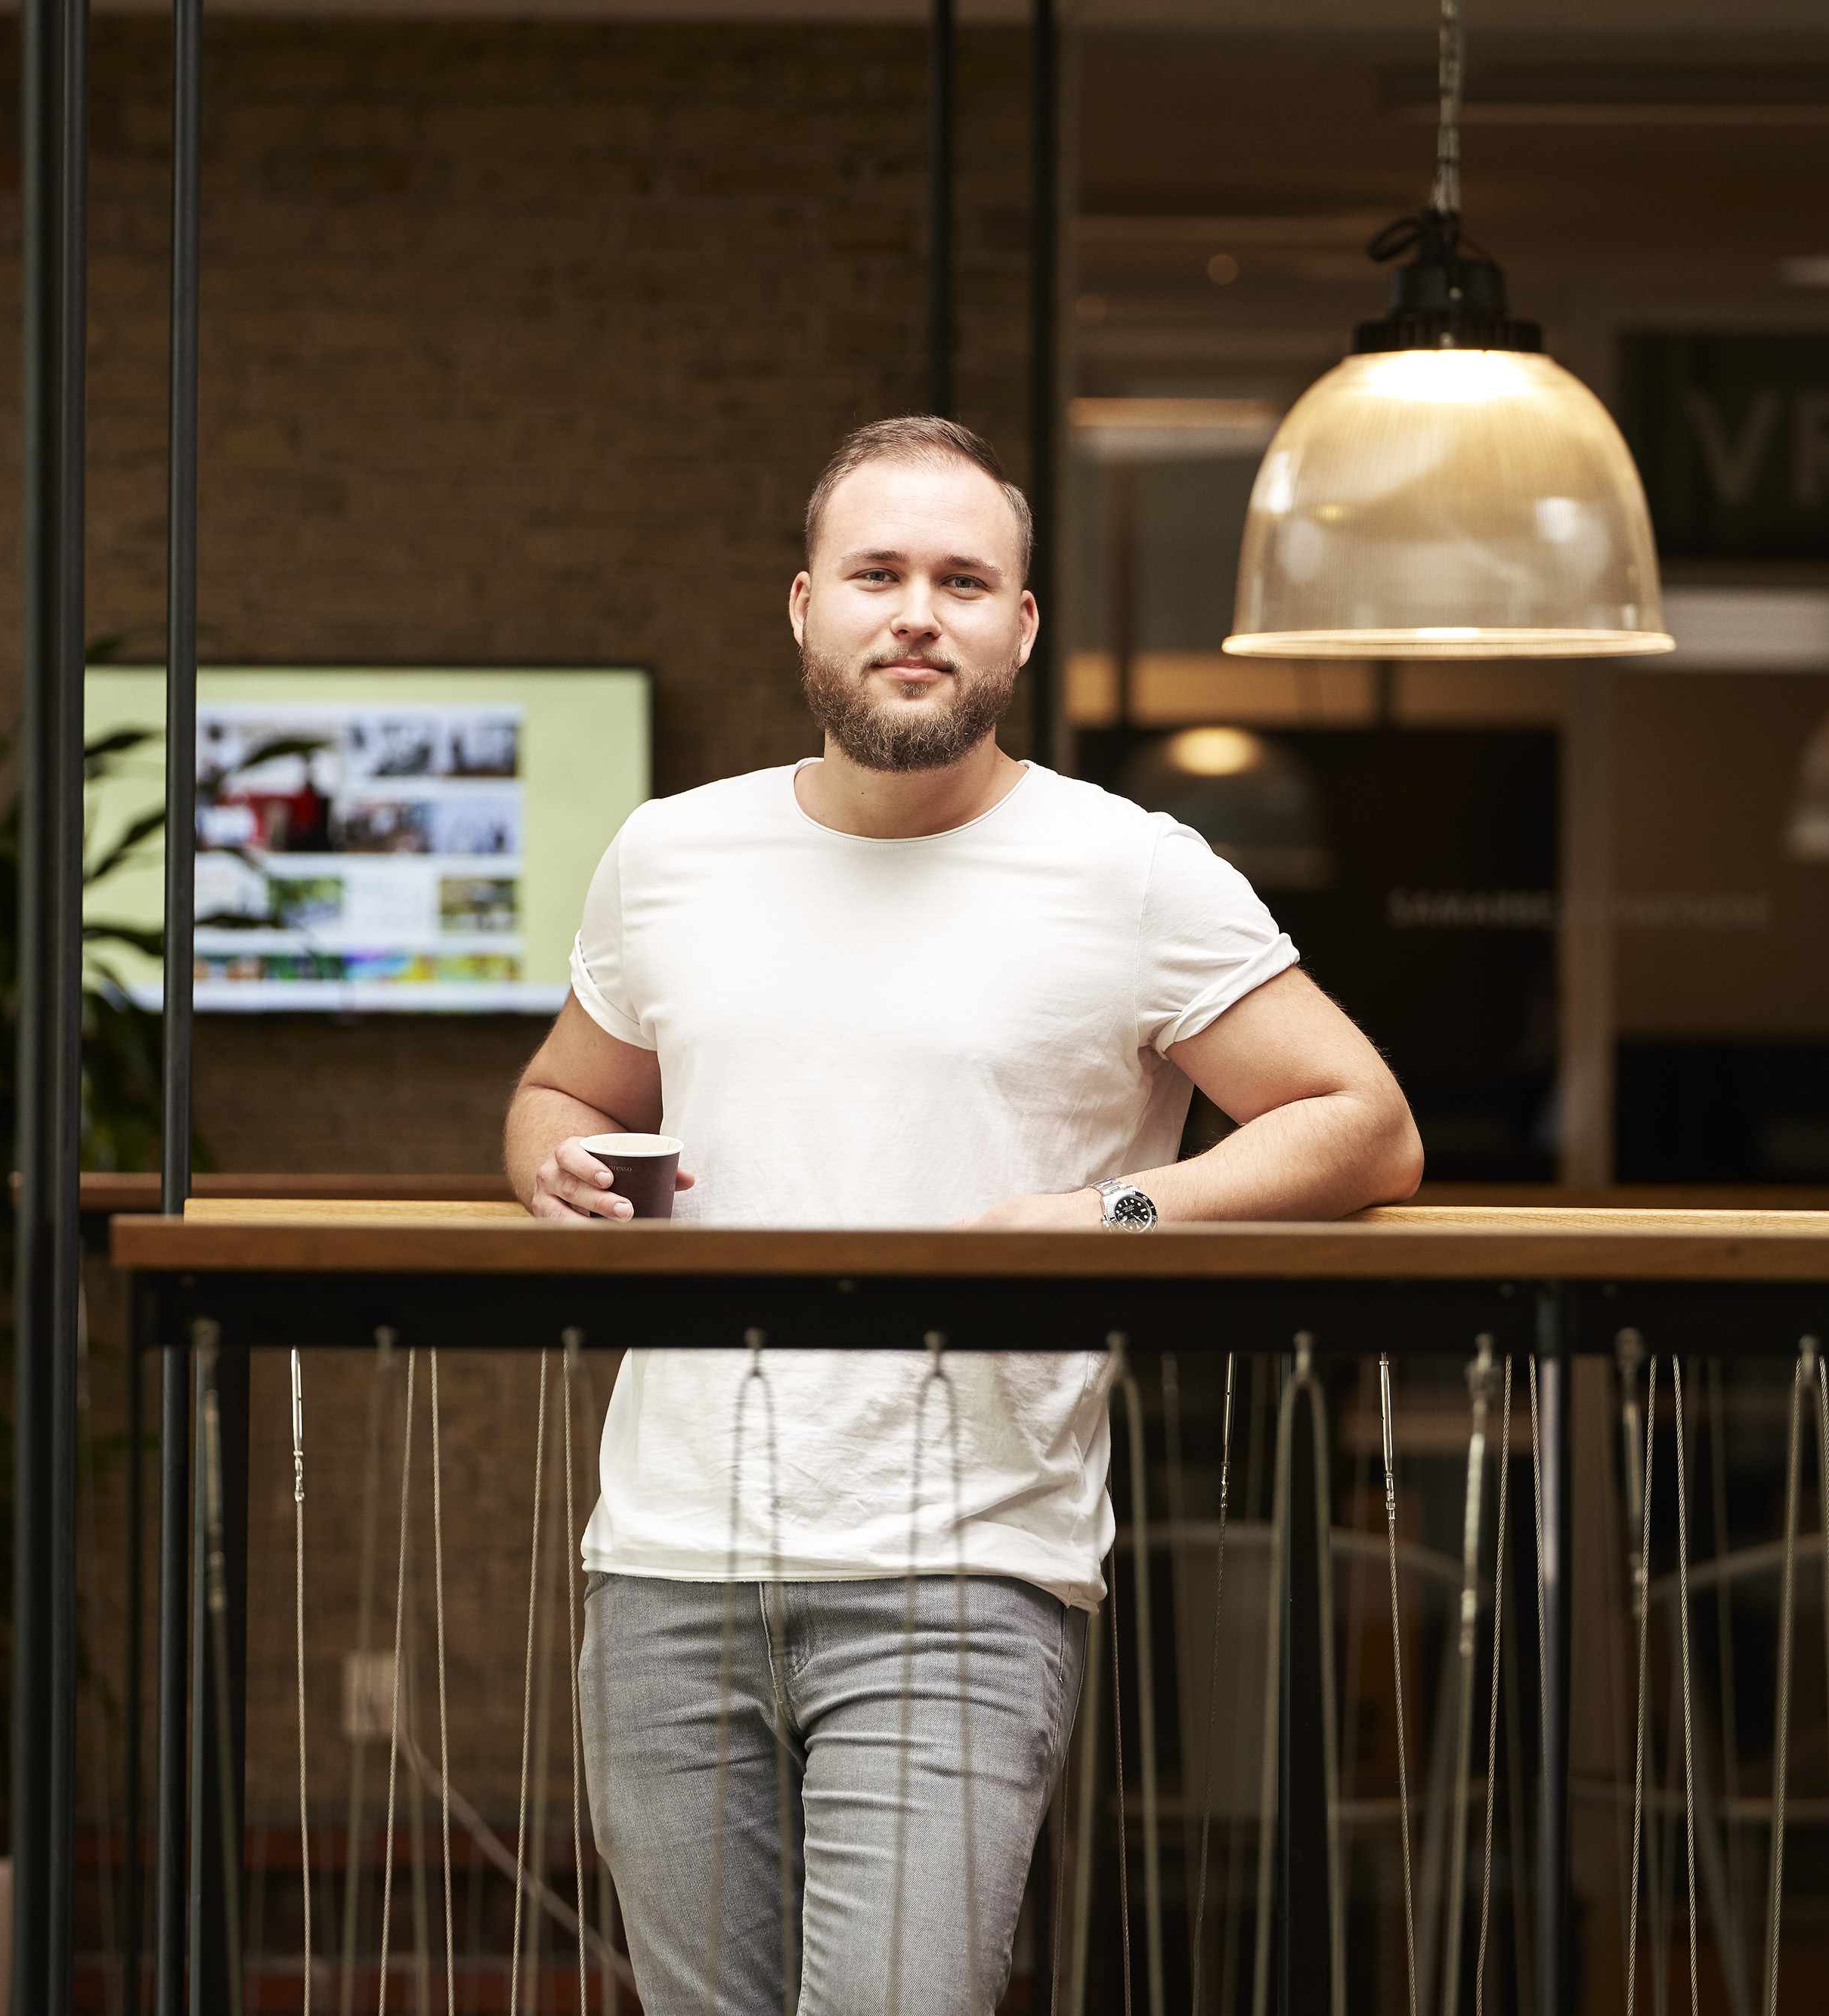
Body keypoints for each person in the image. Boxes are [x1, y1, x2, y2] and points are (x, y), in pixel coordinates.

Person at [502, 416, 1422, 2014]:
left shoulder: (1128, 869)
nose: (914, 609)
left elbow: (1362, 1122)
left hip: (959, 1573)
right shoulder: (668, 853)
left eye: (960, 577)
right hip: (663, 1562)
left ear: (1018, 624)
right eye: (876, 572)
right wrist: (546, 1156)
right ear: (805, 607)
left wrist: (1118, 1211)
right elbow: (559, 1093)